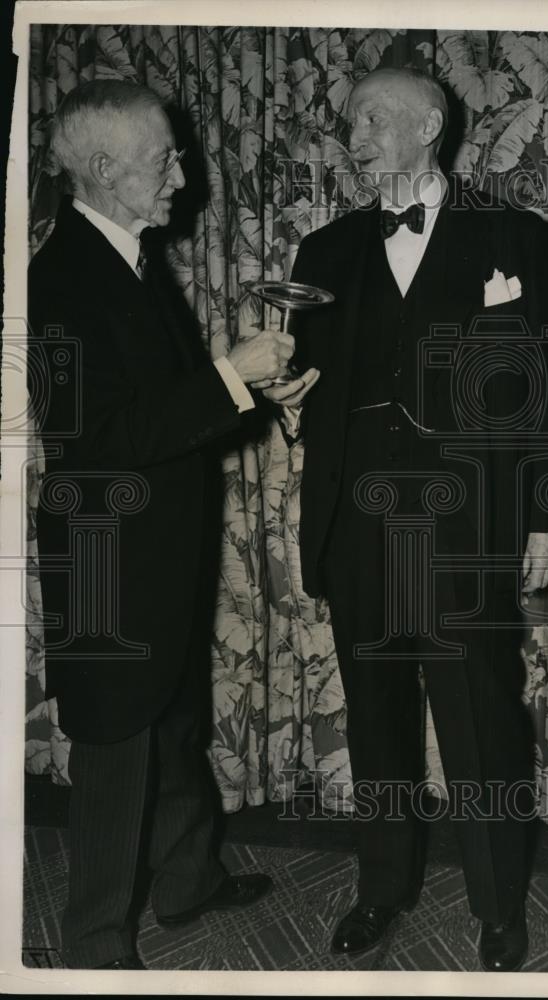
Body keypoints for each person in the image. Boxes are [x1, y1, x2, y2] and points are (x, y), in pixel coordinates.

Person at [263, 67, 548, 970]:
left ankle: (496, 903)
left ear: (430, 124)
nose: (353, 134)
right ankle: (383, 887)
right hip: (357, 524)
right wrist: (285, 401)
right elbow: (307, 395)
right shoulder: (320, 254)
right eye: (349, 119)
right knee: (376, 717)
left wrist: (546, 515)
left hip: (467, 522)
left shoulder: (512, 236)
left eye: (373, 117)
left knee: (481, 719)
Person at [28, 80, 296, 970]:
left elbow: (161, 408)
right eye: (163, 159)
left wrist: (251, 385)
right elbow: (98, 438)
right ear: (104, 171)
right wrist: (229, 376)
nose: (183, 173)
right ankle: (95, 950)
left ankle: (186, 881)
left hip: (157, 546)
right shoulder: (60, 277)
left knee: (174, 717)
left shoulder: (130, 256)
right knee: (115, 745)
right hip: (109, 555)